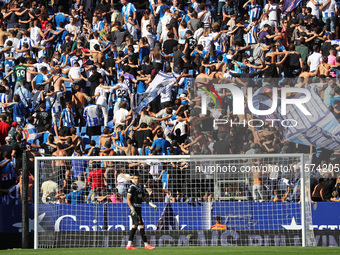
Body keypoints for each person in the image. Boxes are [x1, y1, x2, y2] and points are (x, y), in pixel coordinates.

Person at [126, 174, 157, 250]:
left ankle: (129, 245)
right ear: (133, 179)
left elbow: (144, 197)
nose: (137, 180)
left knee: (134, 226)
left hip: (139, 208)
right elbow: (128, 199)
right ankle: (146, 245)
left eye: (138, 178)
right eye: (135, 178)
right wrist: (131, 208)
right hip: (134, 209)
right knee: (141, 226)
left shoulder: (141, 187)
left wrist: (151, 204)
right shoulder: (132, 187)